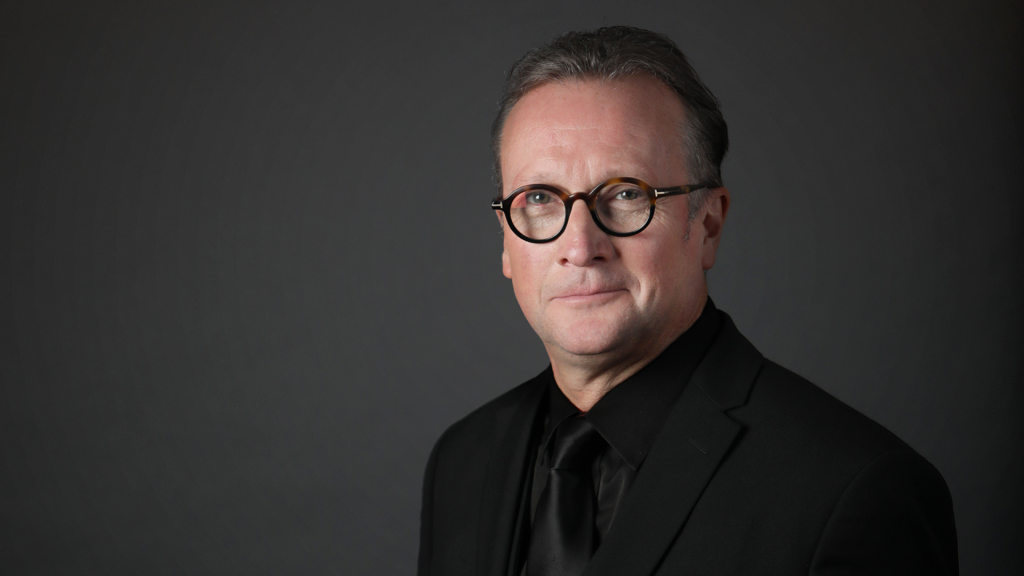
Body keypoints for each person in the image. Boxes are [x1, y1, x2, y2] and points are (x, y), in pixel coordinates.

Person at [418, 26, 957, 576]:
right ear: (506, 241)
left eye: (626, 194)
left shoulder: (856, 490)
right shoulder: (463, 461)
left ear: (708, 225)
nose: (579, 247)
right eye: (538, 198)